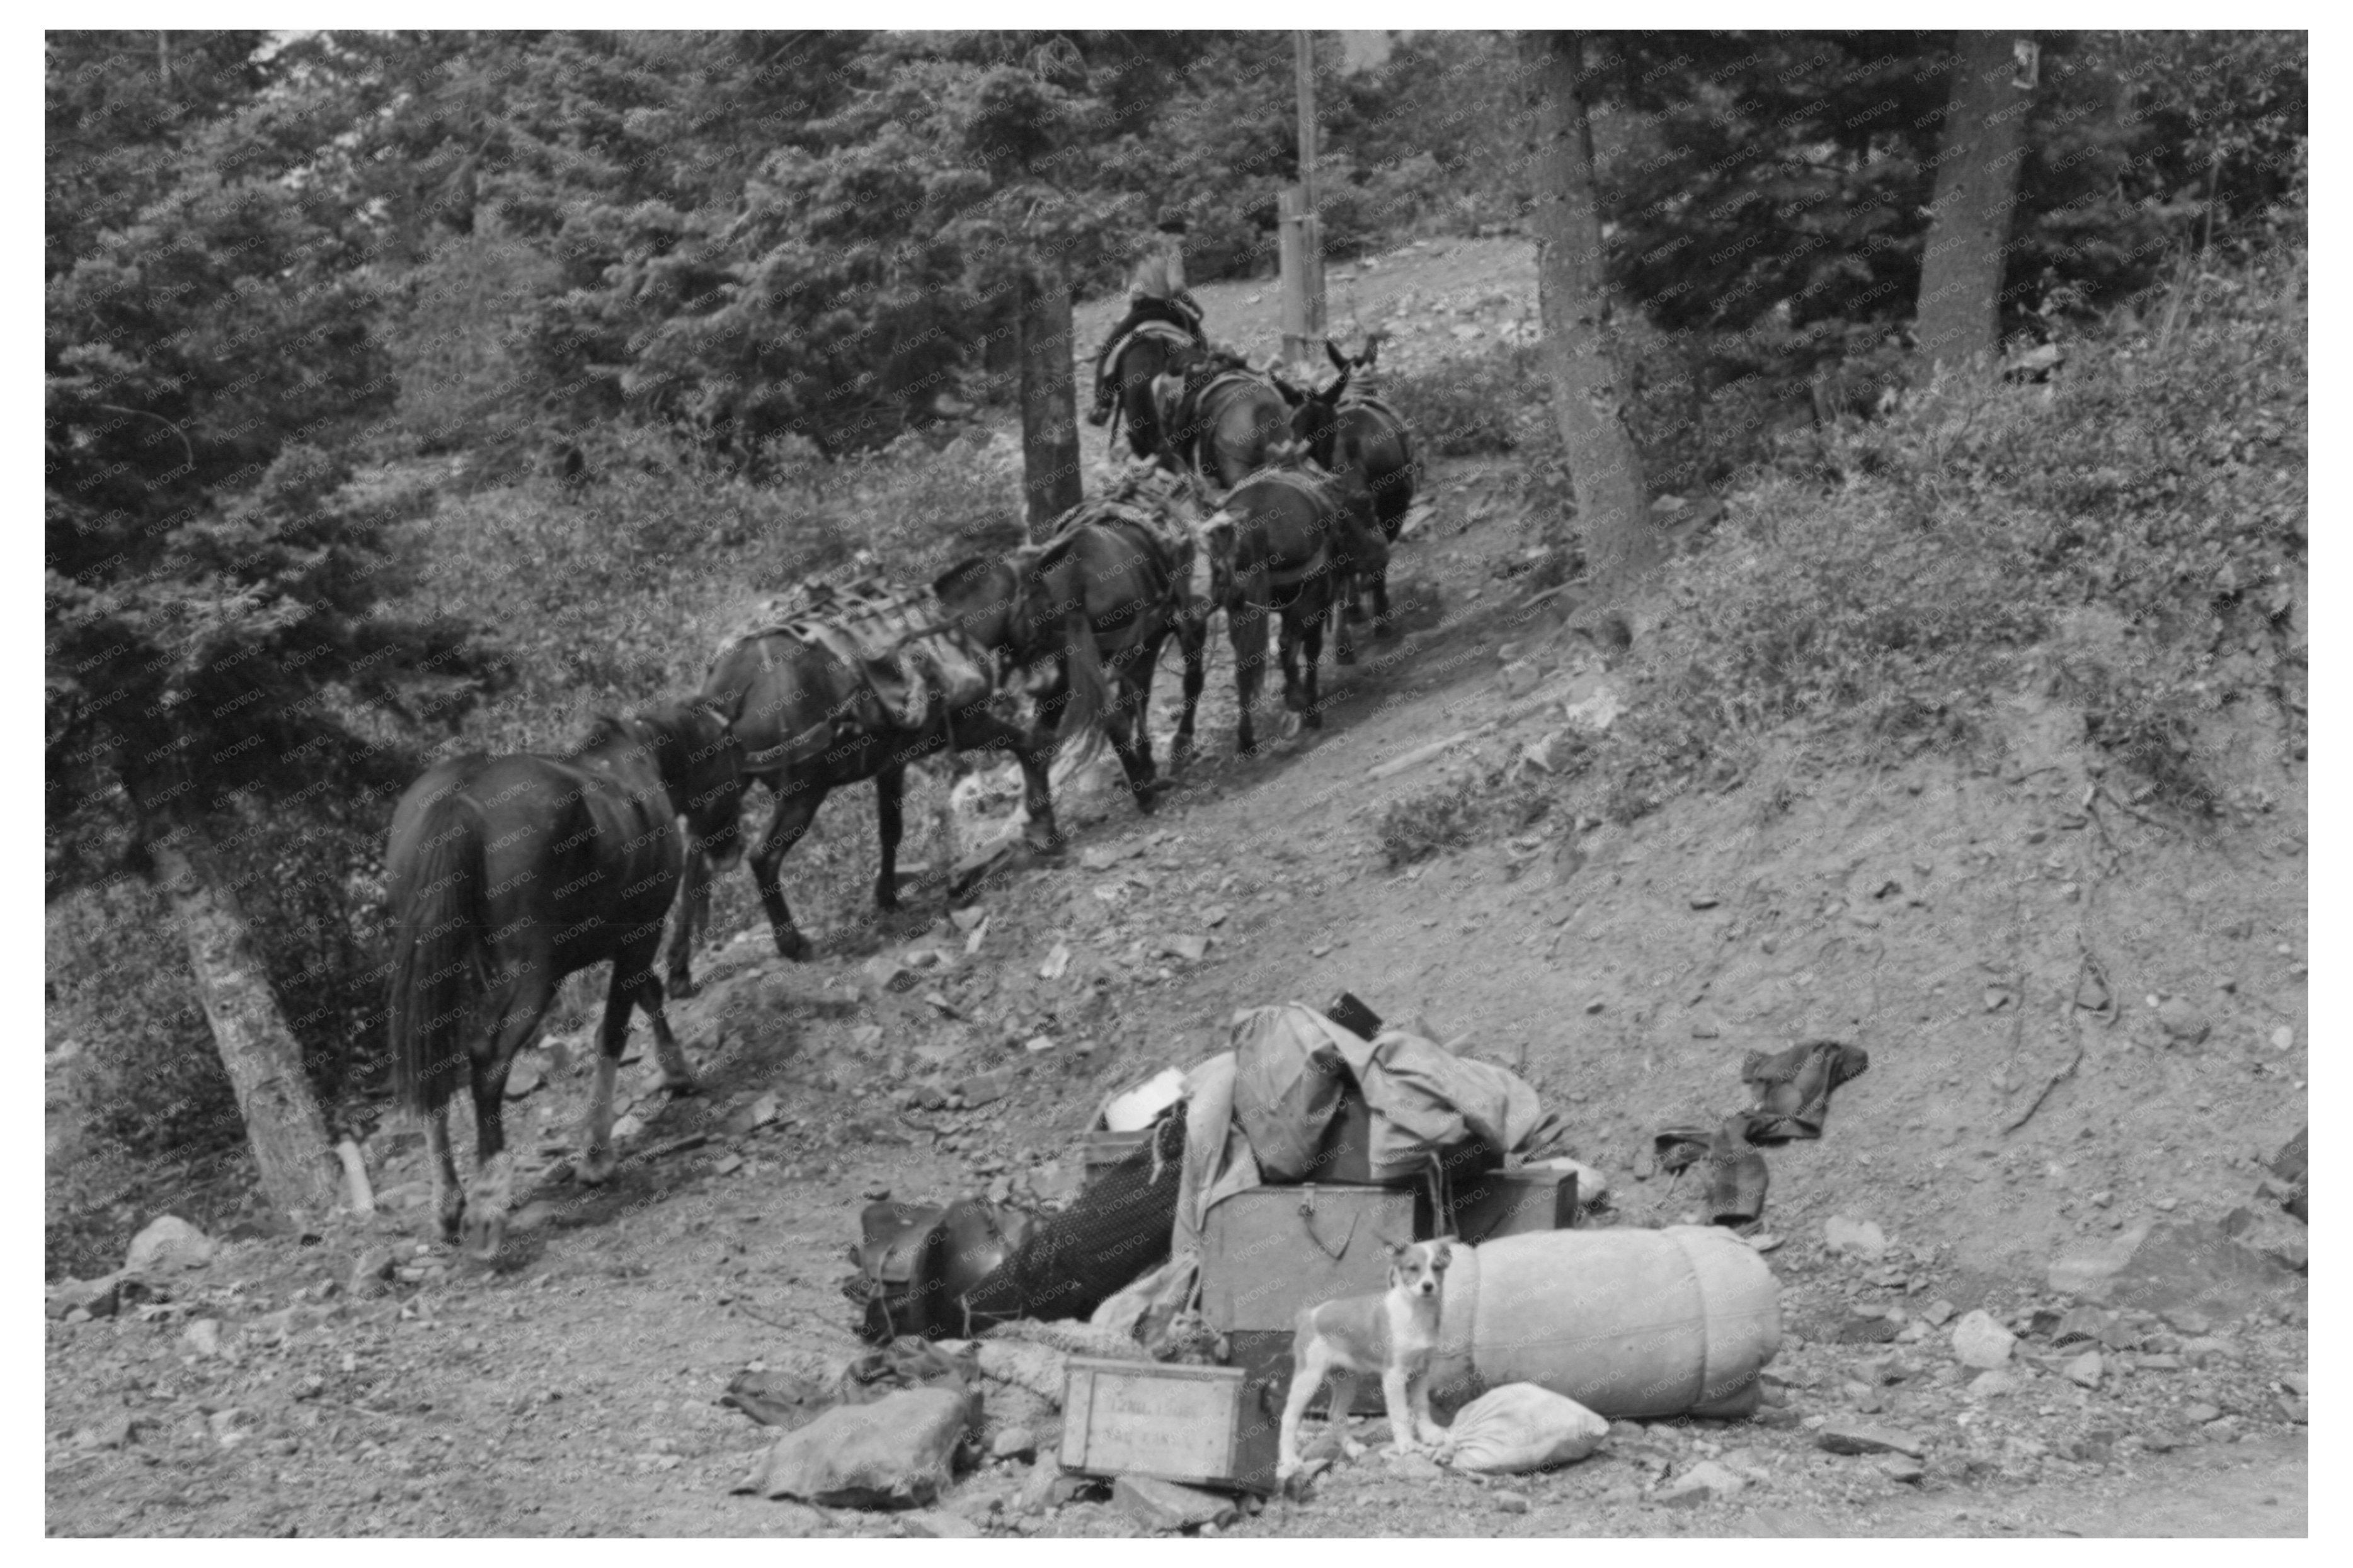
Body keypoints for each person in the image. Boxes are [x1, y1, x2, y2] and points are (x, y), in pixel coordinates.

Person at [1087, 209, 1208, 426]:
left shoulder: (1140, 248)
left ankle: (1102, 404)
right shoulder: (1173, 248)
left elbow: (1129, 285)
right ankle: (1206, 388)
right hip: (1167, 309)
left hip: (1140, 311)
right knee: (1200, 341)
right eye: (1184, 231)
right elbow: (1177, 286)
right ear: (1177, 231)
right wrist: (1195, 306)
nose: (1185, 237)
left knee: (1108, 350)